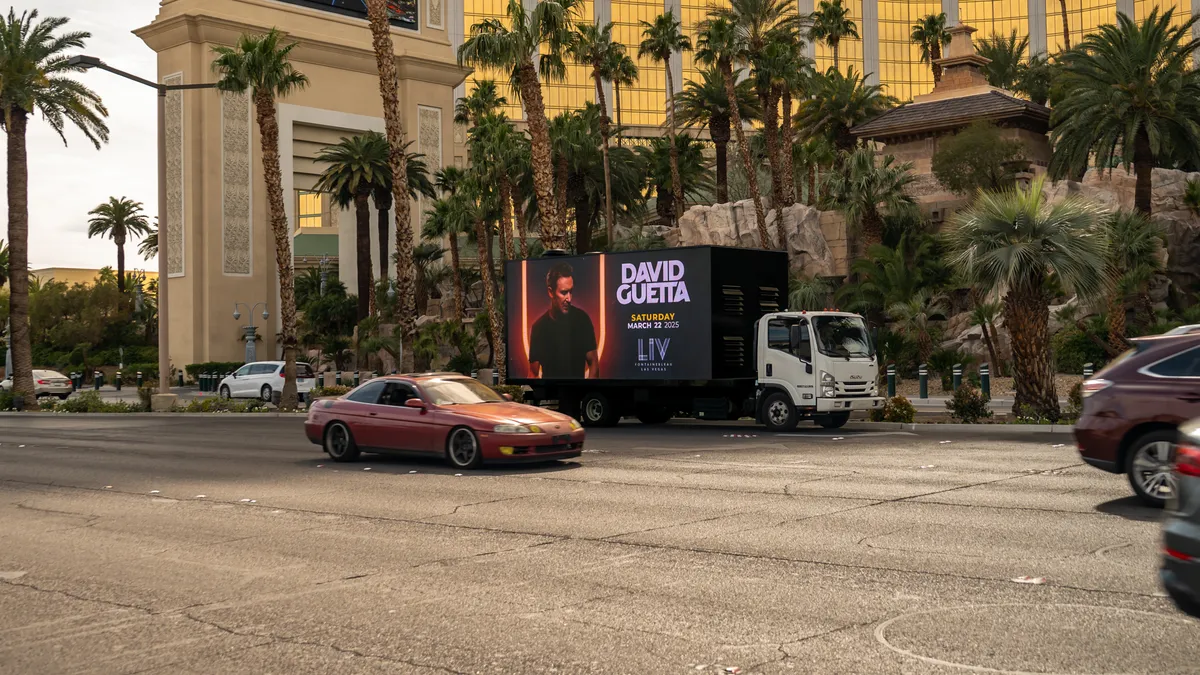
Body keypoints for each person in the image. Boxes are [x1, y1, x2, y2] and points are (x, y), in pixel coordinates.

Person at [528, 263, 598, 378]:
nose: (569, 298)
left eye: (571, 292)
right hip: (549, 390)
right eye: (564, 292)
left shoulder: (582, 320)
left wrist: (588, 389)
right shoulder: (539, 328)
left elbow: (593, 363)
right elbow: (533, 373)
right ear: (551, 292)